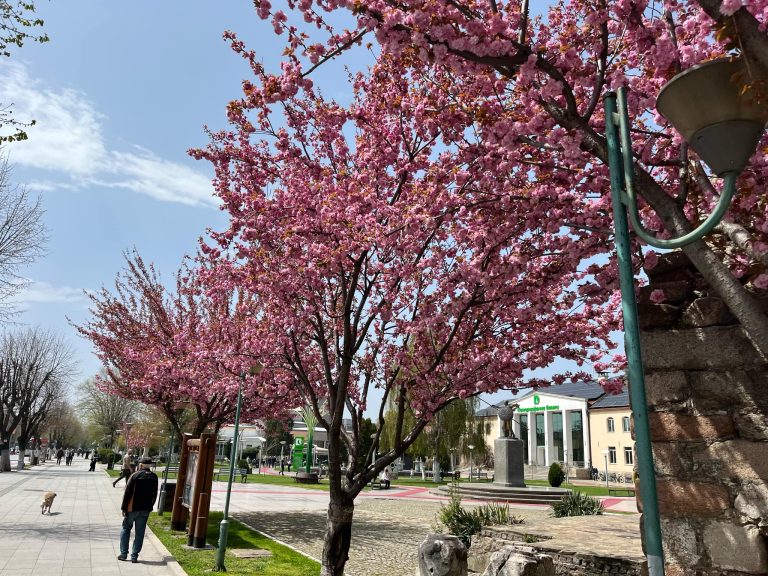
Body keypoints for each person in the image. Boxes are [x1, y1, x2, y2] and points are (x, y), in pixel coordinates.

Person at [118, 457, 158, 564]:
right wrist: (150, 506)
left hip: (132, 508)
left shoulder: (135, 476)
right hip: (145, 509)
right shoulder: (154, 477)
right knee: (140, 533)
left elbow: (127, 493)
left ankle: (123, 554)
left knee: (126, 528)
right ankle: (134, 556)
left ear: (140, 465)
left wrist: (123, 508)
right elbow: (154, 494)